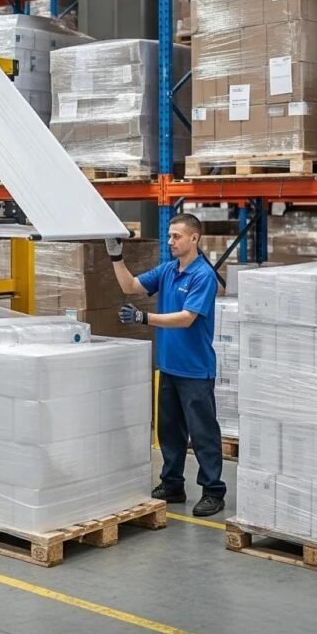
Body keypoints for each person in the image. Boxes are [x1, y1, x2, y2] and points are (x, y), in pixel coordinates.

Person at [106, 213, 226, 517]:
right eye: (170, 236)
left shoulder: (203, 275)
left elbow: (187, 319)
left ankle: (213, 490)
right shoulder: (169, 270)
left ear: (194, 238)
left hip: (196, 369)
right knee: (169, 431)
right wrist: (115, 256)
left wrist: (143, 318)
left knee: (202, 433)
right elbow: (131, 286)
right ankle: (172, 483)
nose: (170, 241)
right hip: (169, 366)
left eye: (176, 236)